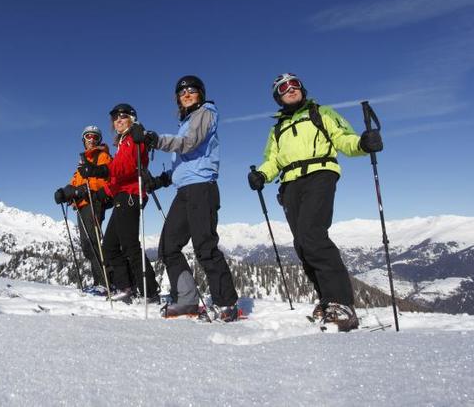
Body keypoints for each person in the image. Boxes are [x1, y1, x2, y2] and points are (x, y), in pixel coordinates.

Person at [247, 73, 383, 331]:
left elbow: (344, 139)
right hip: (289, 185)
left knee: (312, 235)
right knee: (302, 244)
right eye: (283, 87)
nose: (290, 89)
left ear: (302, 88)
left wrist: (364, 143)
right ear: (277, 96)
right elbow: (273, 159)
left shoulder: (321, 113)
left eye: (294, 84)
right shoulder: (276, 129)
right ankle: (327, 301)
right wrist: (261, 175)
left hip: (320, 174)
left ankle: (342, 304)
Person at [135, 75, 239, 322]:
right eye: (182, 92)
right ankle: (187, 300)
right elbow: (183, 166)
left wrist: (155, 139)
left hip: (202, 189)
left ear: (201, 93)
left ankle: (227, 304)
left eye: (192, 90)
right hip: (185, 191)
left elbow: (189, 144)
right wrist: (159, 181)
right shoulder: (186, 122)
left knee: (205, 247)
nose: (187, 94)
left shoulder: (205, 113)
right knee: (168, 247)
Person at [78, 103, 159, 303]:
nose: (118, 121)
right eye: (115, 118)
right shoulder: (123, 141)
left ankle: (149, 291)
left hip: (131, 196)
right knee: (110, 246)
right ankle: (126, 287)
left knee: (130, 246)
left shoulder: (135, 137)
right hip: (121, 196)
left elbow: (126, 168)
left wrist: (99, 171)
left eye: (123, 116)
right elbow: (117, 177)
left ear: (132, 118)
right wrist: (102, 193)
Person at [54, 126, 112, 293]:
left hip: (94, 202)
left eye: (95, 136)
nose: (92, 139)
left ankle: (105, 283)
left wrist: (86, 191)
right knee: (87, 246)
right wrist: (65, 193)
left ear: (99, 140)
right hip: (82, 205)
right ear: (84, 139)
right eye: (88, 136)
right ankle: (100, 282)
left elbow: (106, 179)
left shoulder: (102, 156)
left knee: (93, 243)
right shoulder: (82, 161)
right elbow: (75, 182)